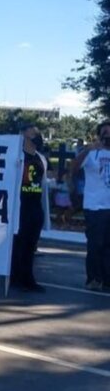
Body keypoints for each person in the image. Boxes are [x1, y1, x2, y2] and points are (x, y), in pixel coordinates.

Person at [70, 120, 110, 290]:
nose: (108, 134)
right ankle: (93, 278)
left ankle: (107, 279)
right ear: (99, 134)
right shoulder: (92, 153)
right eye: (105, 131)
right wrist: (87, 149)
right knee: (96, 243)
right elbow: (74, 167)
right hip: (95, 206)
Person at [10, 124, 48, 292]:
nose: (37, 137)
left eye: (37, 133)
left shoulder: (41, 158)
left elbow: (44, 184)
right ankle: (15, 276)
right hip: (20, 206)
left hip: (35, 206)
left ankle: (27, 277)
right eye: (33, 134)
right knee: (18, 243)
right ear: (23, 136)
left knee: (31, 245)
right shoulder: (16, 156)